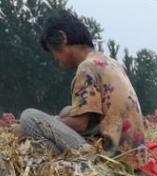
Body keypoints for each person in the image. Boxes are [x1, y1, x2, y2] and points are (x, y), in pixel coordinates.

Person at [13, 11, 145, 163]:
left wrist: (39, 126)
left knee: (29, 117)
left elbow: (79, 124)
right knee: (67, 111)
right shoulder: (110, 63)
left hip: (113, 159)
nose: (55, 59)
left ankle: (58, 161)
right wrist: (58, 119)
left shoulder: (87, 68)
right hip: (134, 153)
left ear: (62, 38)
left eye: (54, 52)